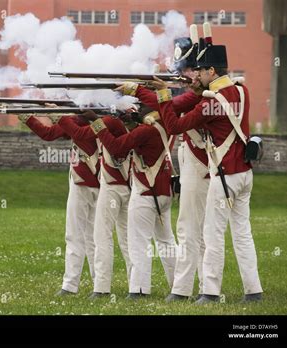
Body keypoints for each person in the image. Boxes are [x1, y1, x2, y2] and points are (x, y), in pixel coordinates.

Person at [153, 24, 263, 304]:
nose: (197, 75)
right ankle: (254, 291)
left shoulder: (208, 102)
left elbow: (174, 124)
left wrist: (165, 94)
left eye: (201, 71)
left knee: (212, 236)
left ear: (211, 72)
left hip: (224, 176)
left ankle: (210, 292)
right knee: (242, 235)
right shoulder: (242, 91)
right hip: (245, 174)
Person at [118, 24, 209, 302]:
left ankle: (202, 289)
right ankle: (191, 287)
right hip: (193, 170)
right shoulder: (195, 93)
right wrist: (138, 91)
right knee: (186, 235)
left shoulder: (199, 95)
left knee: (197, 235)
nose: (181, 76)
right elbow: (166, 101)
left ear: (199, 70)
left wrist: (138, 91)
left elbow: (168, 104)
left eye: (186, 71)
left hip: (203, 169)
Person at [83, 107, 177, 299]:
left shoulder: (146, 130)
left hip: (145, 191)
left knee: (138, 243)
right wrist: (131, 123)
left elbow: (117, 148)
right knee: (166, 241)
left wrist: (97, 122)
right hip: (164, 190)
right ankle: (178, 288)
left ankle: (139, 290)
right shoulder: (164, 126)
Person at [54, 112, 136, 298]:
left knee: (96, 237)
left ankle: (95, 286)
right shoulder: (96, 121)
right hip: (110, 184)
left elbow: (80, 134)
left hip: (104, 185)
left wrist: (59, 117)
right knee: (95, 237)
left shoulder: (107, 122)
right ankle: (133, 286)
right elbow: (49, 134)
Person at [18, 114, 99, 296]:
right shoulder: (111, 120)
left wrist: (53, 116)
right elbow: (48, 133)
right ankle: (99, 284)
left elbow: (49, 134)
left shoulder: (79, 121)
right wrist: (30, 118)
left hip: (82, 181)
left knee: (75, 235)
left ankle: (70, 285)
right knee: (94, 237)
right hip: (104, 182)